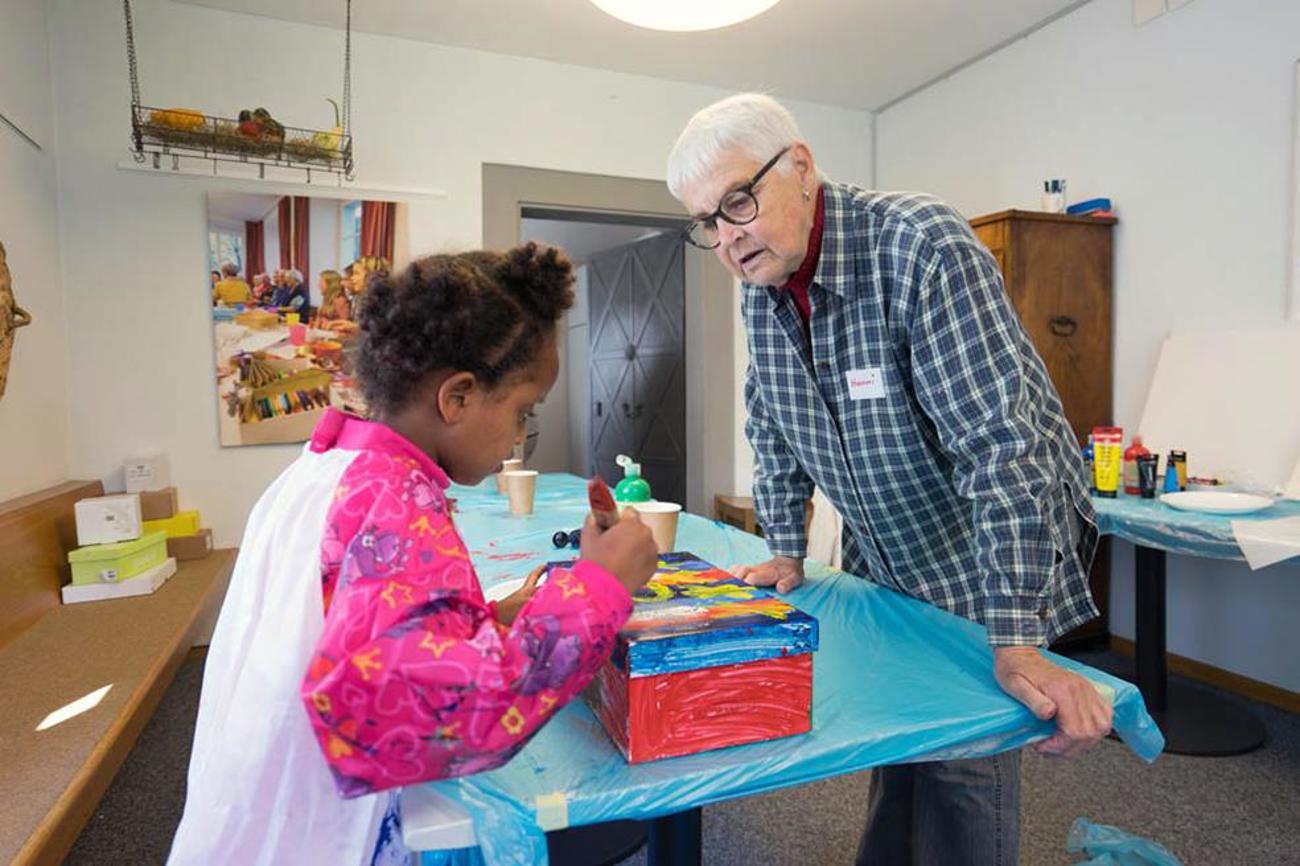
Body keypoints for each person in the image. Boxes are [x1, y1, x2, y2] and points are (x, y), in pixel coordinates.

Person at [667, 93, 1112, 866]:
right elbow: (770, 412)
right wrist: (784, 546)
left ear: (800, 168)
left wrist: (1016, 638)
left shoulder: (920, 245)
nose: (727, 238)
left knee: (961, 754)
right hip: (885, 536)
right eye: (707, 221)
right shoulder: (762, 277)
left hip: (979, 544)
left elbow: (1002, 452)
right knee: (897, 729)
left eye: (737, 202)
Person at [167, 243, 659, 865]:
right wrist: (599, 585)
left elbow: (342, 624)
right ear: (457, 397)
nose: (518, 438)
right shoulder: (392, 503)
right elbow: (450, 715)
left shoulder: (332, 466)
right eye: (522, 412)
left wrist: (484, 621)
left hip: (247, 812)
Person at [332, 255, 391, 337]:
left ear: (371, 275)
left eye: (357, 273)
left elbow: (383, 335)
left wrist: (356, 329)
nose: (352, 278)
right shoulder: (363, 299)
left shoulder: (384, 301)